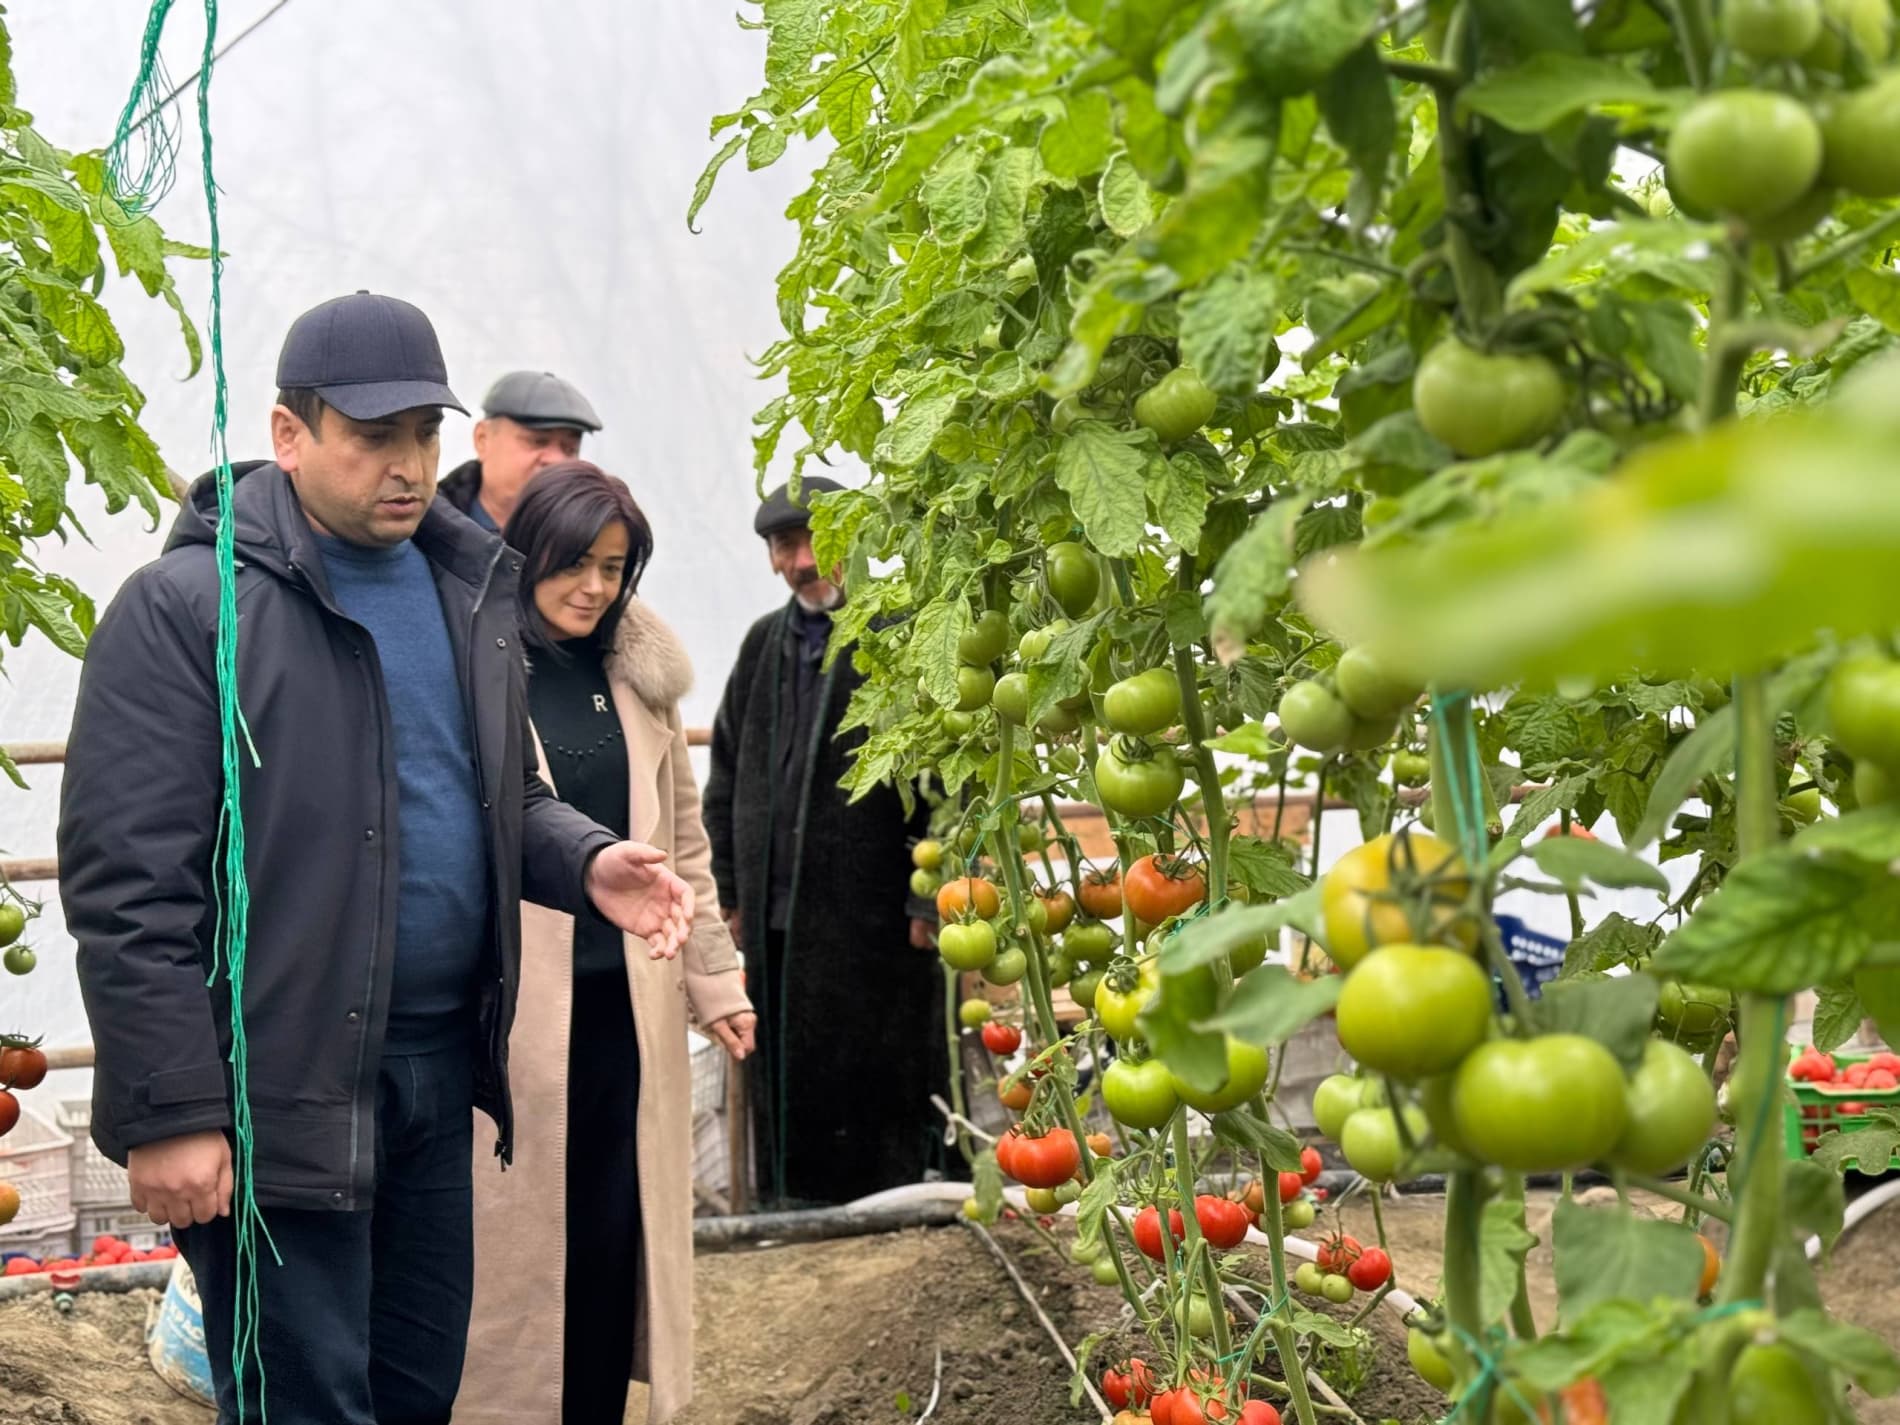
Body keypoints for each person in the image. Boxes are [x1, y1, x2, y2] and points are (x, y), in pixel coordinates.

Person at [57, 293, 694, 1425]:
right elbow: (127, 884)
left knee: (413, 1392)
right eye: (372, 438)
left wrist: (584, 860)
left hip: (438, 1074)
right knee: (309, 1405)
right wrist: (170, 1112)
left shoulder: (465, 592)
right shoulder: (187, 613)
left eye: (423, 437)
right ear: (289, 434)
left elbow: (493, 793)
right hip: (274, 1090)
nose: (406, 467)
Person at [459, 462, 755, 1425]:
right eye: (575, 563)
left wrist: (715, 978)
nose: (593, 587)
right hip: (509, 1016)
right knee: (513, 1246)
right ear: (529, 552)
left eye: (614, 568)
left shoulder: (638, 677)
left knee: (607, 1231)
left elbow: (684, 842)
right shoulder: (480, 662)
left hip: (627, 1006)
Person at [703, 477, 948, 1207]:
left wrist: (925, 897)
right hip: (774, 916)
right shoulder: (762, 646)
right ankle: (795, 1204)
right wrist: (732, 888)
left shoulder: (902, 635)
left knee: (876, 1067)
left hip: (875, 917)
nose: (803, 560)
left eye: (818, 539)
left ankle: (889, 1203)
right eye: (786, 545)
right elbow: (724, 772)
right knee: (793, 1069)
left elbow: (948, 777)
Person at [439, 369, 602, 532]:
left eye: (569, 449)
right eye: (538, 441)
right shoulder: (426, 530)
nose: (556, 460)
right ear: (482, 439)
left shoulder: (592, 540)